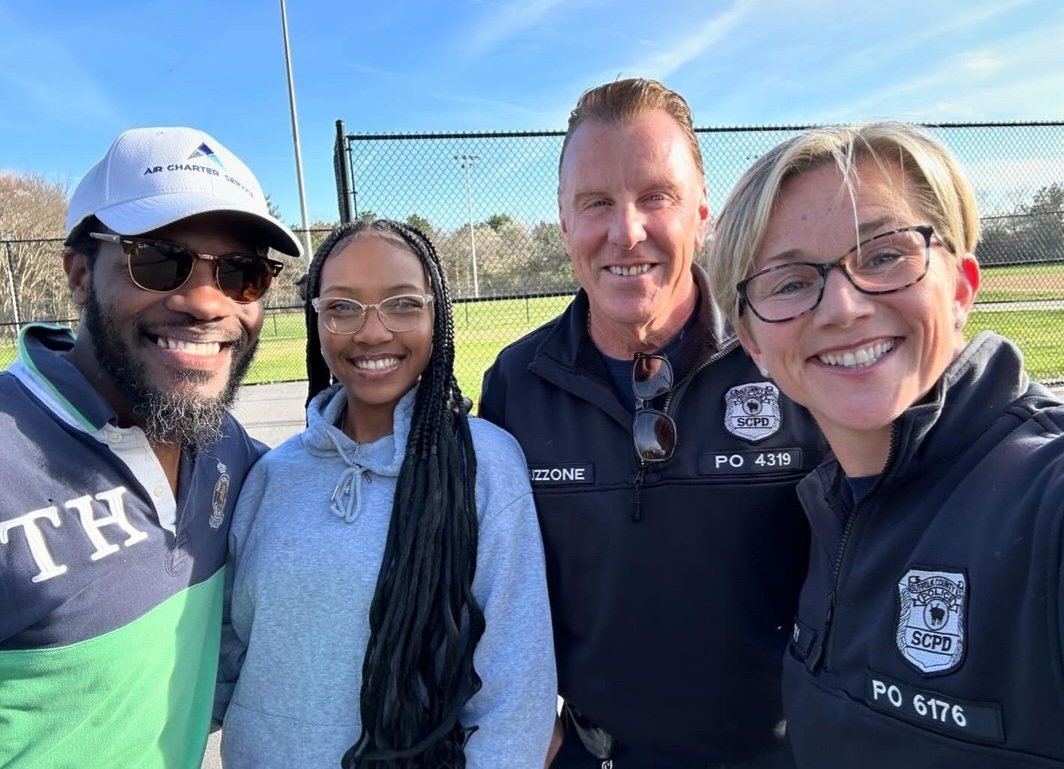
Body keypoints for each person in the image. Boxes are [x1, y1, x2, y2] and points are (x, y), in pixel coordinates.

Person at [479, 78, 825, 768]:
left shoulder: (789, 353)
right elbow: (491, 592)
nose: (625, 230)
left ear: (702, 210)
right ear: (564, 219)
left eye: (655, 197)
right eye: (596, 202)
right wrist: (534, 732)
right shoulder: (515, 384)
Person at [707, 121, 1064, 767]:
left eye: (883, 255)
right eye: (788, 282)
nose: (842, 306)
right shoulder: (828, 505)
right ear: (753, 343)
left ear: (959, 287)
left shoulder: (1044, 499)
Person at [0, 126, 301, 768]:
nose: (204, 302)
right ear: (80, 275)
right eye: (159, 260)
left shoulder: (227, 449)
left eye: (242, 274)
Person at [215, 219, 557, 769]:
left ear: (435, 313)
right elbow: (229, 654)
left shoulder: (484, 465)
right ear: (317, 320)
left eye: (401, 304)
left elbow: (516, 687)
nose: (372, 333)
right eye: (343, 307)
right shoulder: (272, 475)